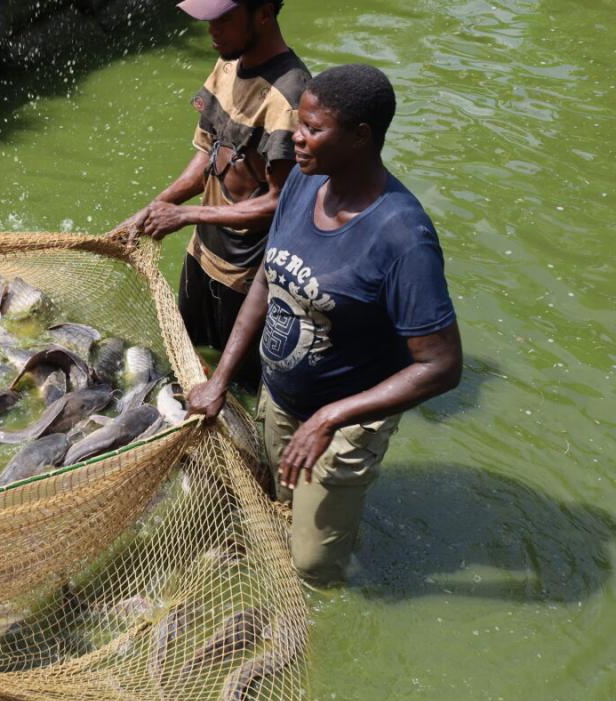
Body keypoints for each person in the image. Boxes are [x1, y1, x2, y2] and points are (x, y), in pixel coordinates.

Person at [186, 63, 463, 586]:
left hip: (348, 416)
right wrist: (221, 380)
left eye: (313, 129)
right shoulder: (303, 185)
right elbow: (266, 282)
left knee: (313, 567)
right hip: (283, 392)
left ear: (360, 137)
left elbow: (442, 365)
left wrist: (331, 417)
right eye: (300, 125)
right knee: (280, 502)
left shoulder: (402, 237)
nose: (297, 139)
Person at [118, 0, 310, 390]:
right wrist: (158, 207)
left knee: (238, 385)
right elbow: (207, 153)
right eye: (209, 20)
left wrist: (186, 216)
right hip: (202, 253)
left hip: (246, 274)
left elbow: (281, 203)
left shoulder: (289, 96)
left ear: (263, 13)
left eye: (224, 19)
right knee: (185, 358)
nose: (212, 30)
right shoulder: (228, 62)